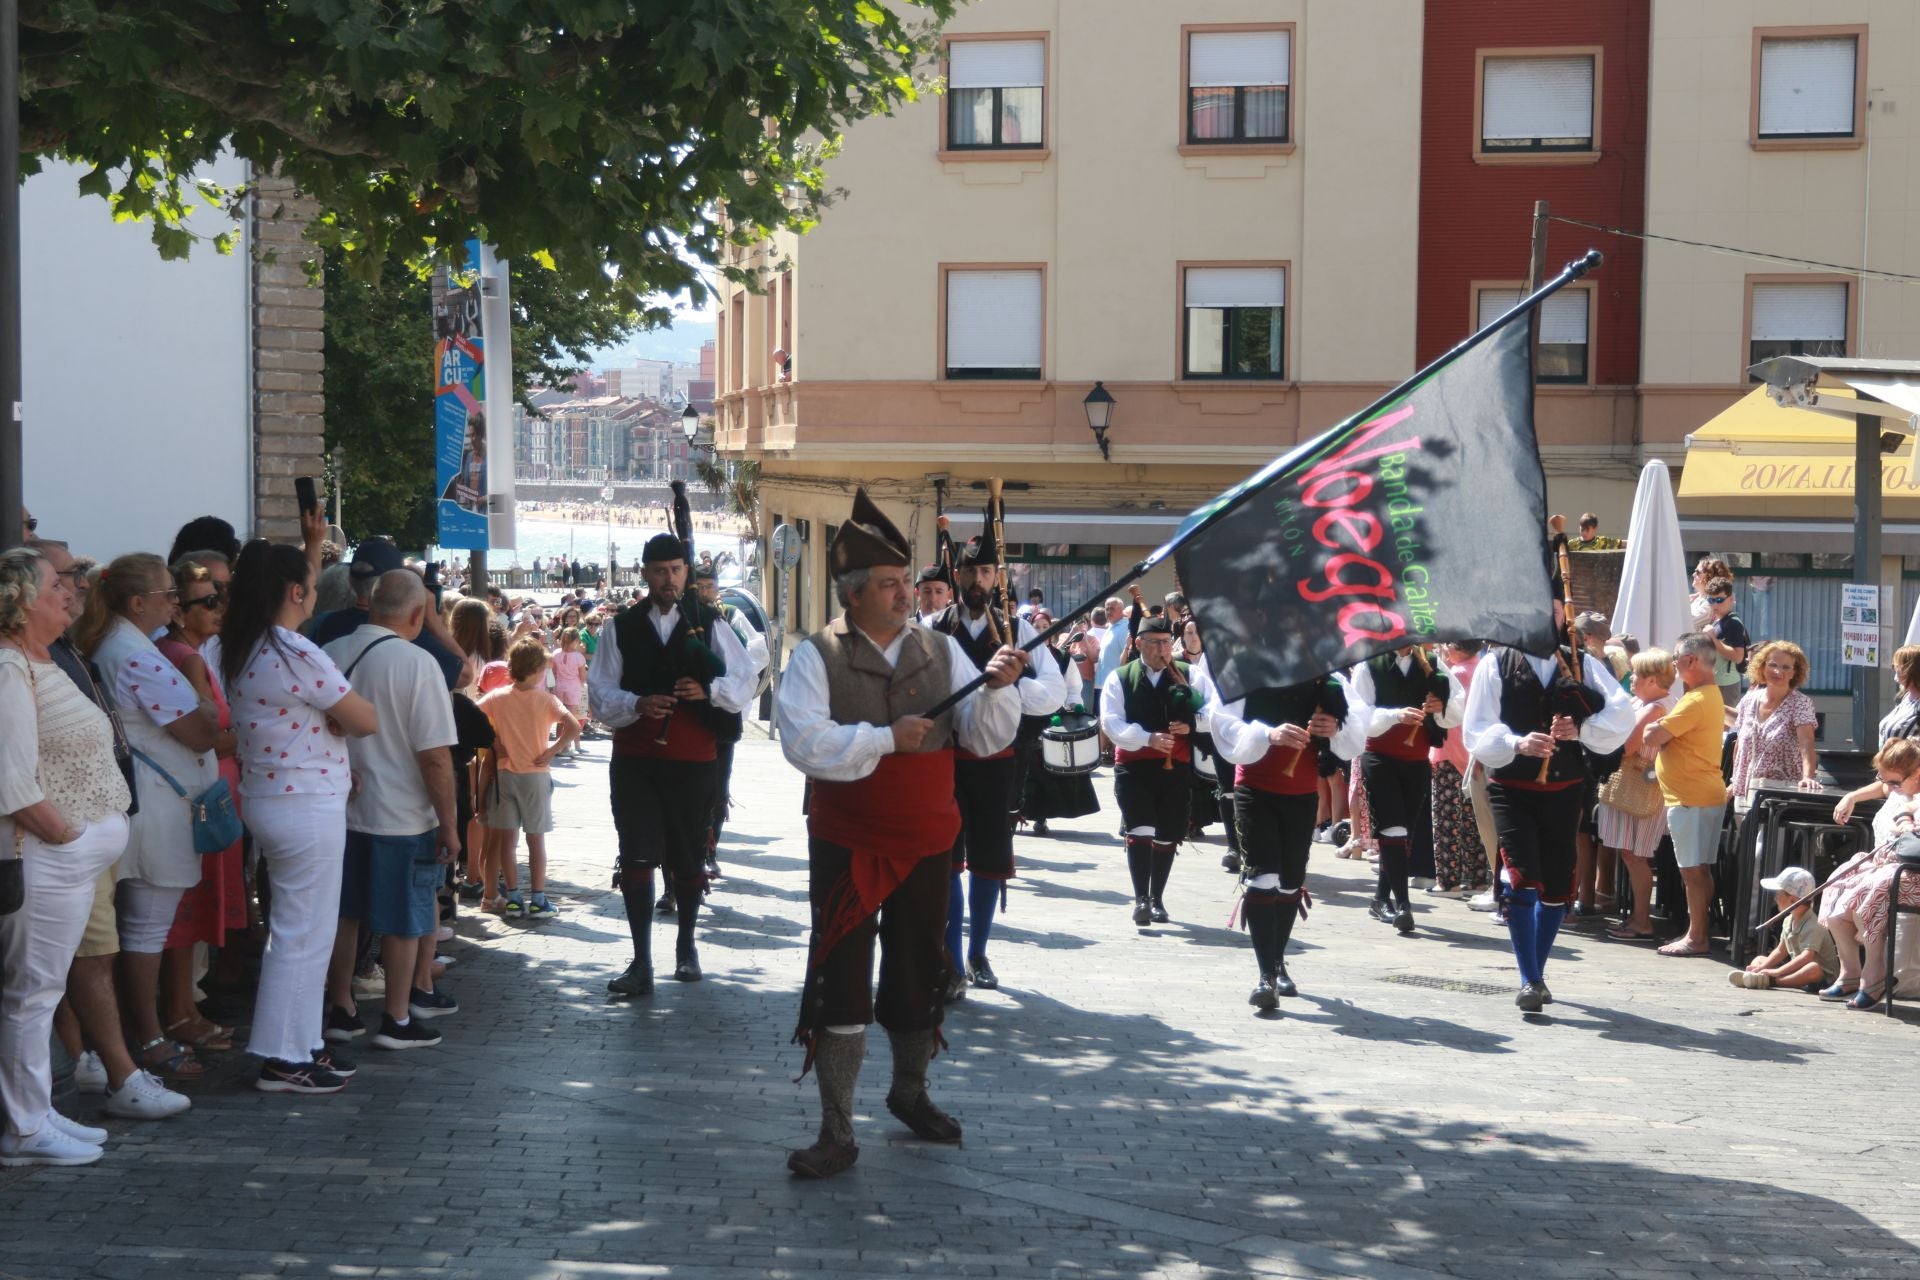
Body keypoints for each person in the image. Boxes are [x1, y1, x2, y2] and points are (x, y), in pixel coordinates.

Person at [774, 490, 1023, 1179]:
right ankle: (836, 1128)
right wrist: (884, 739)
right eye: (890, 583)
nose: (905, 592)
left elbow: (981, 732)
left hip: (927, 838)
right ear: (854, 593)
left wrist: (1000, 687)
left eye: (906, 581)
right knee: (841, 976)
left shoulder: (941, 650)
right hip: (849, 838)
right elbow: (803, 743)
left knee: (919, 970)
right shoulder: (816, 656)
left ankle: (910, 1093)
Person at [218, 540, 380, 1094]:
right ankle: (284, 1057)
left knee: (298, 930)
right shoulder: (293, 651)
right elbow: (363, 718)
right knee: (302, 934)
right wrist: (333, 720)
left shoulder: (239, 647)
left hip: (270, 797)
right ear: (294, 592)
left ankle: (301, 1043)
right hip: (306, 803)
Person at [0, 549, 138, 1166]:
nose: (71, 591)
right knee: (31, 994)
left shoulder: (41, 661)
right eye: (57, 583)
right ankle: (23, 1129)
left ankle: (32, 1111)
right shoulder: (8, 669)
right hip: (45, 855)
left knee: (43, 989)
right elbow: (10, 780)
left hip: (67, 859)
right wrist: (67, 836)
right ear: (23, 599)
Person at [74, 554, 222, 1083]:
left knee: (138, 926)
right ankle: (150, 1036)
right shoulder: (137, 655)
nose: (176, 602)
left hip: (149, 799)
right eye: (168, 594)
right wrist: (204, 695)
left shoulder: (117, 644)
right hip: (159, 805)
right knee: (146, 927)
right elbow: (202, 730)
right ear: (139, 603)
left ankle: (141, 1033)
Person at [588, 532, 755, 995]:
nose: (668, 578)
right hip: (637, 759)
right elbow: (599, 696)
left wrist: (710, 692)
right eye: (659, 571)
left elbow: (745, 679)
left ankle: (686, 946)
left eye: (676, 570)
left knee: (686, 855)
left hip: (694, 760)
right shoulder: (619, 627)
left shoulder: (709, 622)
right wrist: (637, 703)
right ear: (644, 573)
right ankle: (641, 961)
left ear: (686, 571)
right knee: (637, 854)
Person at [321, 570, 462, 1051]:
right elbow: (435, 756)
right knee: (405, 919)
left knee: (345, 915)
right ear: (419, 614)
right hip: (402, 814)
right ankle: (397, 1017)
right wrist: (450, 824)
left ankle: (341, 1007)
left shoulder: (330, 654)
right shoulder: (417, 664)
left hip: (339, 810)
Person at [1463, 632, 1635, 1013]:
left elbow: (1623, 711)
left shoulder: (1581, 662)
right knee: (1521, 880)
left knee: (1557, 888)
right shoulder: (1496, 663)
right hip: (1511, 788)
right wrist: (1516, 744)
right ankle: (1530, 979)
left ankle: (1535, 973)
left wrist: (1583, 729)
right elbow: (1476, 727)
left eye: (1554, 608)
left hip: (1565, 787)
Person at [928, 530, 1061, 994]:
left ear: (997, 576)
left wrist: (1009, 687)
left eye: (986, 571)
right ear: (957, 574)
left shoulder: (1017, 630)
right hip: (944, 760)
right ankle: (949, 956)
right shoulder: (934, 628)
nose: (977, 579)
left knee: (988, 859)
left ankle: (978, 953)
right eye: (970, 570)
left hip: (999, 760)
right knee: (946, 859)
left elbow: (1056, 692)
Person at [1210, 673, 1367, 1005]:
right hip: (1254, 786)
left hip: (1301, 790)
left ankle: (1277, 960)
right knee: (1262, 875)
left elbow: (1357, 726)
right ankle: (1266, 975)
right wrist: (1268, 733)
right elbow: (1222, 721)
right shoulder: (1245, 667)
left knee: (1290, 882)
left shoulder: (1328, 675)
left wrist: (1335, 730)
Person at [153, 557, 245, 1052]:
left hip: (211, 791)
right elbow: (203, 738)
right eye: (208, 601)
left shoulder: (191, 652)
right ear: (178, 611)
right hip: (203, 794)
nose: (219, 608)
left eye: (220, 598)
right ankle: (180, 1009)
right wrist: (251, 736)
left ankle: (185, 1005)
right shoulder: (183, 657)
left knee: (195, 904)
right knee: (188, 906)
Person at [1098, 614, 1222, 926]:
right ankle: (1141, 898)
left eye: (1167, 642)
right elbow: (1111, 722)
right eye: (1154, 643)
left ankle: (1157, 899)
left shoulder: (1188, 674)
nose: (1162, 649)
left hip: (1175, 767)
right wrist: (1146, 738)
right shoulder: (1121, 677)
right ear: (1139, 644)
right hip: (1134, 767)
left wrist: (1192, 723)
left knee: (1167, 834)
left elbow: (1215, 711)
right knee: (1140, 829)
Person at [1348, 647, 1464, 934]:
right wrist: (1395, 716)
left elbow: (1458, 705)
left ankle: (1379, 899)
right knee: (1393, 830)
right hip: (1379, 757)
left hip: (1416, 760)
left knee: (1402, 835)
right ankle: (1404, 906)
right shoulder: (1369, 663)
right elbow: (1359, 715)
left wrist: (1442, 707)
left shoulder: (1433, 663)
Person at [477, 637, 581, 919]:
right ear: (536, 670)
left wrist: (493, 740)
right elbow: (573, 726)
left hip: (504, 775)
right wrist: (552, 751)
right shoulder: (545, 699)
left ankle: (512, 898)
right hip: (535, 776)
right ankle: (538, 898)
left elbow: (473, 715)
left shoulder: (497, 698)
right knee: (536, 841)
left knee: (507, 842)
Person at [1641, 633, 1730, 959]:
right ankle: (1698, 932)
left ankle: (1697, 936)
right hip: (1702, 793)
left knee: (1692, 871)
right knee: (1700, 870)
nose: (1673, 664)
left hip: (1690, 796)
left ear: (1691, 661)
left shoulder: (1695, 700)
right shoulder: (1709, 695)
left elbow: (1654, 734)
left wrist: (1658, 728)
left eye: (1677, 659)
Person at [1817, 740, 1920, 1008]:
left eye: (1895, 783)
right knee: (1837, 883)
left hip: (1911, 869)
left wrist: (1907, 824)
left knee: (1870, 893)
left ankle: (1874, 974)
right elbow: (1883, 786)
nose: (1890, 788)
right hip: (1885, 862)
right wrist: (1851, 796)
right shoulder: (1900, 785)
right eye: (1885, 779)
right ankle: (1850, 971)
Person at [688, 563, 769, 883]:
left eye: (710, 586)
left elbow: (757, 653)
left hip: (723, 717)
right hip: (691, 717)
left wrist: (725, 678)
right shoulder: (684, 617)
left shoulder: (730, 614)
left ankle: (709, 851)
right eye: (700, 587)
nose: (706, 592)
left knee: (717, 790)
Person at [1600, 648, 1680, 943]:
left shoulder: (1654, 708)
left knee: (1636, 855)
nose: (1631, 678)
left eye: (1636, 674)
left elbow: (1628, 745)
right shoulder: (1648, 702)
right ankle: (1638, 917)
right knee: (1632, 854)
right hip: (1639, 787)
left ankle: (1642, 921)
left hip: (1641, 789)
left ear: (1652, 679)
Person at [1019, 612, 1099, 836]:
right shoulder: (1021, 657)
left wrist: (1074, 706)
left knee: (1049, 770)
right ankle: (1018, 812)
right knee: (1025, 770)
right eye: (1036, 626)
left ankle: (1042, 816)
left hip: (1054, 720)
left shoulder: (1063, 657)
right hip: (1026, 720)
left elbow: (1073, 688)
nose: (1041, 630)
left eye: (1045, 626)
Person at [1429, 642, 1490, 894]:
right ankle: (1475, 878)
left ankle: (1448, 879)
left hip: (1450, 755)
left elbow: (1453, 722)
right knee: (1473, 822)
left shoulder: (1458, 674)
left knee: (1446, 821)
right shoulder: (1481, 668)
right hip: (1473, 756)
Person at [1728, 640, 1820, 800]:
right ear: (1762, 667)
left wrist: (1808, 777)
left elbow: (1807, 742)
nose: (1778, 671)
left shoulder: (1800, 703)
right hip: (1745, 791)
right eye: (1773, 665)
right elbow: (1740, 745)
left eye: (1786, 667)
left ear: (1794, 672)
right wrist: (1734, 780)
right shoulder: (1748, 701)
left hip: (1781, 795)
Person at [1732, 866, 1839, 991]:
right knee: (1759, 959)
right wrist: (1762, 967)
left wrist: (1778, 971)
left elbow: (1806, 957)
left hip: (1822, 978)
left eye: (1778, 894)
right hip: (1798, 970)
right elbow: (1781, 950)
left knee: (1813, 968)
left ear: (1792, 900)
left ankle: (1773, 981)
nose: (1775, 898)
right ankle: (1758, 976)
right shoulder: (1788, 920)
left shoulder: (1813, 924)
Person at [1698, 577, 1749, 714]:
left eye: (1719, 600)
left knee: (1723, 729)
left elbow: (1738, 657)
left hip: (1726, 684)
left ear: (1731, 599)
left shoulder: (1733, 623)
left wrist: (1713, 639)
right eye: (1711, 600)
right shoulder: (1719, 621)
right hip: (1716, 683)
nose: (1715, 605)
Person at [549, 627, 589, 759]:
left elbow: (553, 672)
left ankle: (558, 746)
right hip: (573, 688)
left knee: (561, 719)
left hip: (559, 687)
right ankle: (565, 747)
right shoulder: (579, 657)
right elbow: (583, 677)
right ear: (576, 640)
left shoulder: (555, 654)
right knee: (570, 719)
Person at [1687, 557, 1733, 625]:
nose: (1693, 574)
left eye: (1698, 572)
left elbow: (1685, 622)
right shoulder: (1698, 597)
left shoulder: (1711, 603)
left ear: (1709, 576)